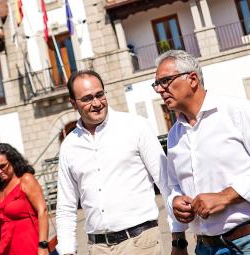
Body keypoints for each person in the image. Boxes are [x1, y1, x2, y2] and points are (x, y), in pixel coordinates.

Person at [156, 50, 250, 255]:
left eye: (165, 81)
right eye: (157, 84)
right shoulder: (175, 135)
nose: (159, 90)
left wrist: (225, 197)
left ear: (192, 79)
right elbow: (175, 185)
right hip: (204, 246)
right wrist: (176, 202)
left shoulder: (237, 111)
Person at [55, 69, 171, 255]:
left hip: (141, 243)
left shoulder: (135, 126)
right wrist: (67, 250)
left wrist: (178, 235)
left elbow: (166, 182)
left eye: (100, 95)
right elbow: (66, 206)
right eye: (87, 99)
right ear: (73, 103)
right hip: (97, 248)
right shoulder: (69, 145)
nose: (96, 103)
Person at [0, 143, 50, 255]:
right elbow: (1, 222)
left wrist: (43, 245)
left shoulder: (26, 179)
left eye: (3, 166)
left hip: (29, 243)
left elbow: (42, 211)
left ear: (13, 161)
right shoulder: (2, 186)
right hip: (7, 246)